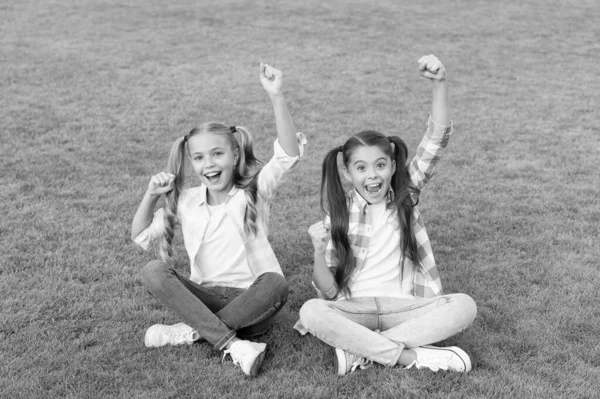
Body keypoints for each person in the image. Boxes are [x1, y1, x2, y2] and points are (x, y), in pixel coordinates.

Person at [294, 54, 477, 375]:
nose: (372, 176)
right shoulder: (338, 213)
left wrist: (440, 84)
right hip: (355, 308)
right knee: (311, 311)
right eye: (361, 168)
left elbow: (436, 140)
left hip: (407, 307)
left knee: (464, 305)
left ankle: (361, 350)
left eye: (380, 165)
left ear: (393, 166)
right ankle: (408, 356)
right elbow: (328, 292)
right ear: (348, 173)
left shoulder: (405, 195)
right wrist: (318, 252)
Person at [131, 63, 306, 377]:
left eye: (217, 154)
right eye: (199, 158)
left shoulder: (254, 192)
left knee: (276, 284)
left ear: (235, 155)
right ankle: (233, 344)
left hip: (253, 302)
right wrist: (151, 195)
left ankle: (192, 331)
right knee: (153, 271)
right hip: (208, 298)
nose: (208, 165)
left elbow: (287, 156)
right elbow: (141, 234)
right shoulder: (187, 201)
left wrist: (276, 97)